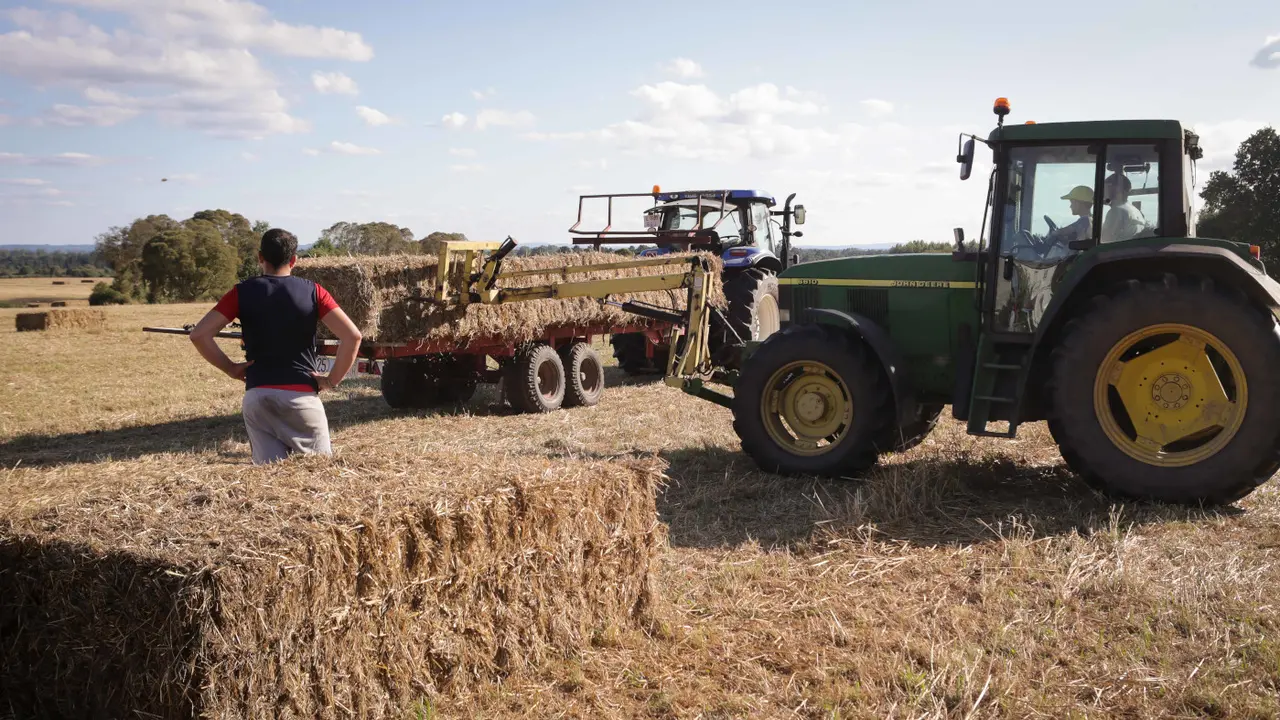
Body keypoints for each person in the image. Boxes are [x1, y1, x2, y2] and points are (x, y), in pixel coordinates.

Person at [189, 228, 363, 465]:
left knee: (269, 480)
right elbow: (353, 337)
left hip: (258, 398)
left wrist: (231, 368)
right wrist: (331, 380)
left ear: (260, 257)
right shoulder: (314, 292)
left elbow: (199, 335)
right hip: (301, 399)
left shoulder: (241, 293)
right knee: (318, 477)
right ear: (294, 260)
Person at [1100, 173, 1148, 243]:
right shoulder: (1136, 211)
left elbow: (1104, 241)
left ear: (1116, 189)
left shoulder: (1116, 211)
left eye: (1105, 187)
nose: (1103, 191)